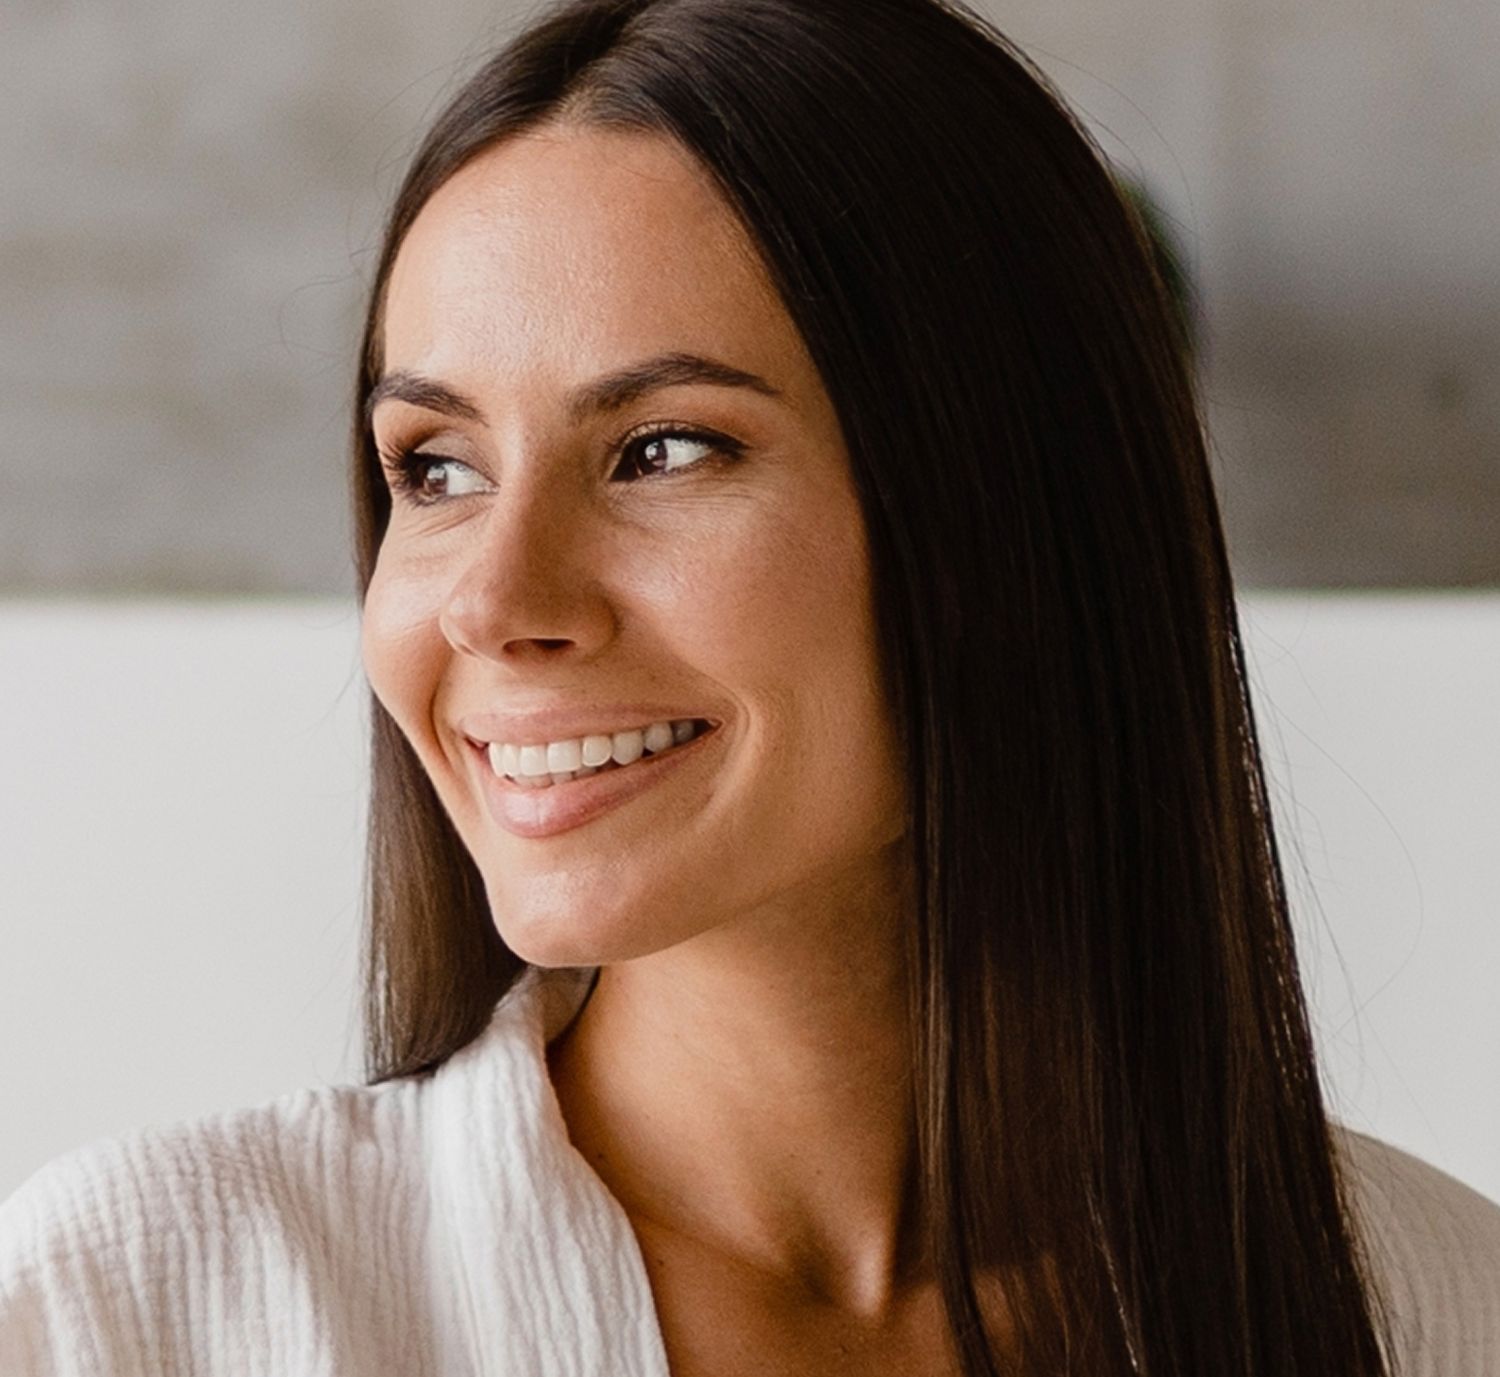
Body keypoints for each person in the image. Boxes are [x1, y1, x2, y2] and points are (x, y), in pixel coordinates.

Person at [4, 0, 1498, 1372]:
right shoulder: (132, 1313)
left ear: (1011, 517)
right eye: (436, 468)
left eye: (663, 449)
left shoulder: (1437, 1312)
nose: (494, 601)